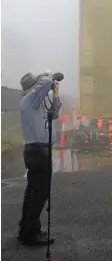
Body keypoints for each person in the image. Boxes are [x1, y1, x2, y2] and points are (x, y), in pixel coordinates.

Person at [18, 71, 62, 246]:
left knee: (32, 193)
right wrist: (49, 75)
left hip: (39, 151)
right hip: (38, 152)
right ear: (33, 87)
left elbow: (54, 114)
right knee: (39, 193)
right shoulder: (29, 100)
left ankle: (27, 229)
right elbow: (43, 83)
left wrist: (56, 94)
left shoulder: (36, 104)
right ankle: (30, 234)